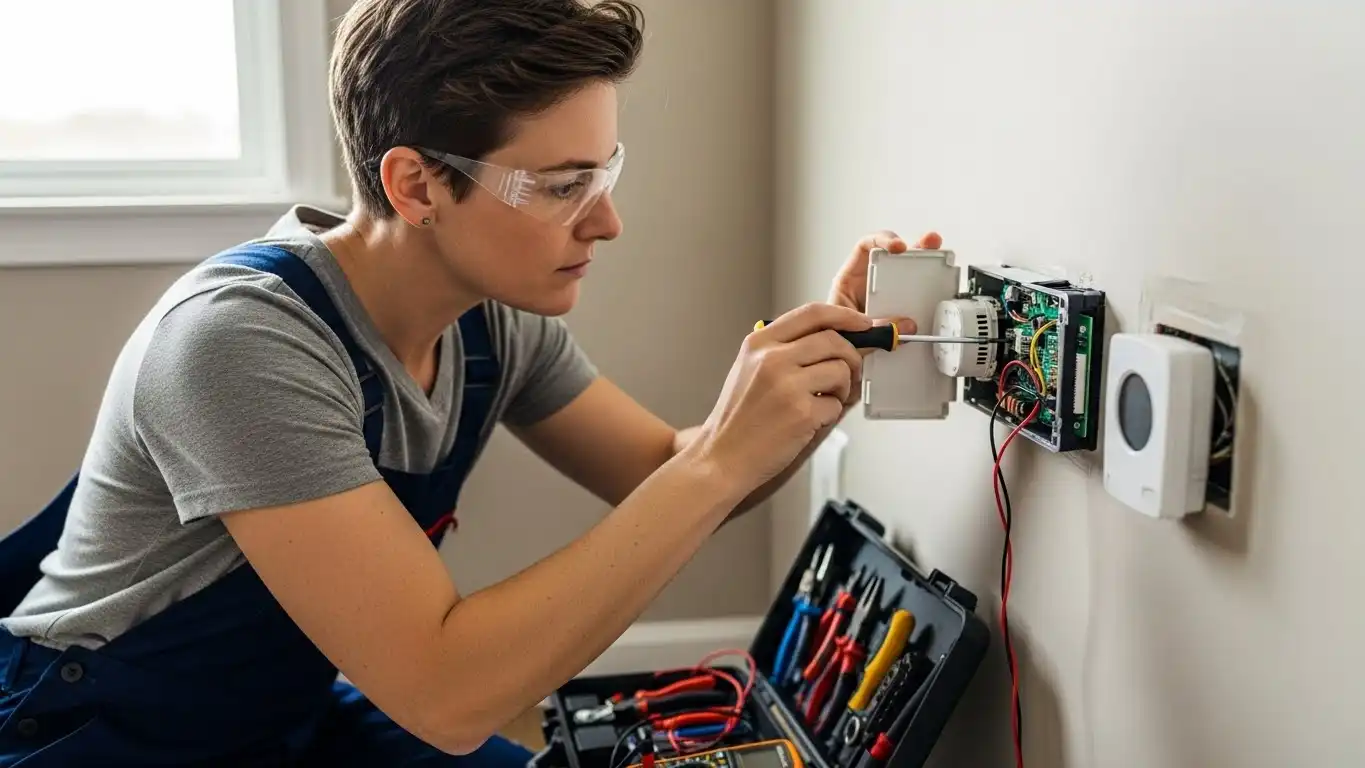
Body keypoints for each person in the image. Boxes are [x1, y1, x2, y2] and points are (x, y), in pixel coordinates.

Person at [0, 0, 942, 764]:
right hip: (95, 733)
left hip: (280, 711)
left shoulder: (491, 322)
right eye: (562, 184)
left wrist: (812, 378)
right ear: (414, 186)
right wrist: (718, 462)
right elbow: (446, 692)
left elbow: (671, 469)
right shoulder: (241, 345)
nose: (606, 222)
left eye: (605, 171)